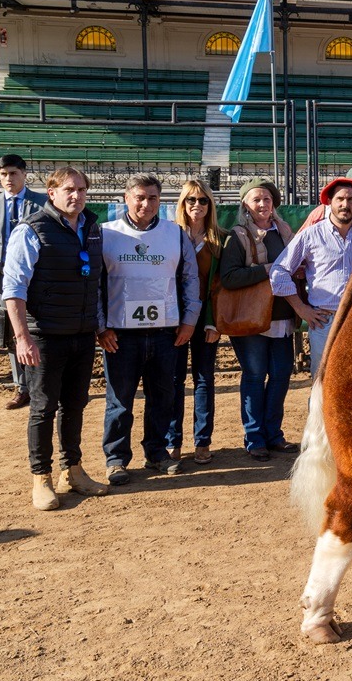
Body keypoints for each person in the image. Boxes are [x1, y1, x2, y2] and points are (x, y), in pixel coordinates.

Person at [3, 167, 107, 510]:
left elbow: (94, 282)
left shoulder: (92, 228)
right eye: (68, 189)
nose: (75, 195)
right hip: (44, 336)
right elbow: (14, 290)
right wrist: (22, 338)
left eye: (80, 189)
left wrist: (96, 325)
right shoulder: (31, 229)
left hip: (81, 334)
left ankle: (72, 471)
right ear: (51, 193)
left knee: (75, 405)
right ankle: (41, 478)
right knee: (43, 408)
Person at [98, 174, 200, 484]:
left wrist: (189, 321)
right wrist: (100, 327)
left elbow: (190, 280)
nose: (146, 203)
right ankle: (116, 459)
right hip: (120, 335)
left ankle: (156, 453)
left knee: (163, 396)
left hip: (165, 333)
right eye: (140, 197)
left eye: (153, 198)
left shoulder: (175, 234)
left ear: (160, 200)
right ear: (126, 198)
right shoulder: (105, 233)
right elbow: (94, 285)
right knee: (120, 400)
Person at [271, 176, 352, 378]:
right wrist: (301, 309)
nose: (345, 204)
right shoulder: (310, 235)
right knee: (321, 383)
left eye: (351, 199)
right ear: (329, 202)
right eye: (340, 199)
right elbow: (279, 272)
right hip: (324, 320)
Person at [220, 178, 299, 461]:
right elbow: (228, 278)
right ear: (246, 205)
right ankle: (254, 438)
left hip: (281, 315)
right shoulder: (237, 235)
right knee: (254, 376)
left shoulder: (284, 231)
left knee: (280, 376)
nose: (263, 204)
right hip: (251, 318)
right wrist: (268, 268)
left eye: (267, 199)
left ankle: (273, 434)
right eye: (256, 200)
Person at [0, 153, 47, 410]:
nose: (8, 179)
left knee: (37, 332)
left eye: (13, 173)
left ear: (24, 174)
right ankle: (21, 387)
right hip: (0, 281)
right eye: (3, 174)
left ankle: (41, 384)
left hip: (35, 279)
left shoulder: (41, 201)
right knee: (14, 335)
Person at [167, 179, 227, 465]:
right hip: (172, 321)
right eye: (191, 200)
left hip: (206, 323)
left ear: (210, 205)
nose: (197, 205)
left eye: (203, 200)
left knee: (204, 380)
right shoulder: (168, 235)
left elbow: (221, 285)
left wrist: (215, 322)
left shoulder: (221, 239)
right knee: (174, 381)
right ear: (182, 203)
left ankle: (202, 442)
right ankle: (172, 442)